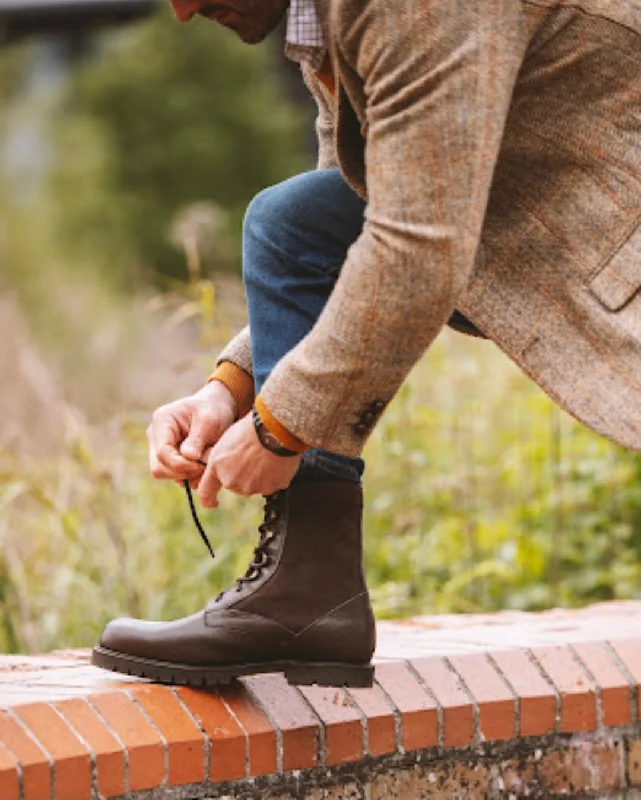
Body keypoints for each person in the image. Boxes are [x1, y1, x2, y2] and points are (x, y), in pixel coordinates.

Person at [92, 0, 641, 688]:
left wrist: (278, 429)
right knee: (291, 225)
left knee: (289, 223)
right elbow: (345, 227)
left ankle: (308, 592)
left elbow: (415, 246)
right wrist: (230, 390)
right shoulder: (326, 19)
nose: (180, 12)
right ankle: (308, 592)